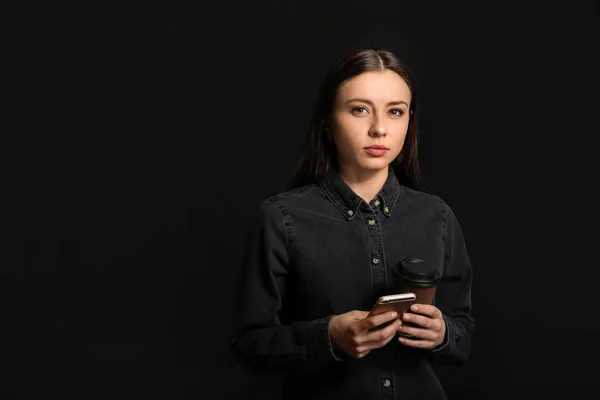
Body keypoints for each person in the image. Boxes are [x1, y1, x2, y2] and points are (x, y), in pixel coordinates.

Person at [230, 48, 474, 400]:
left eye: (395, 112)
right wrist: (327, 337)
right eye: (360, 109)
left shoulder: (437, 217)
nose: (379, 129)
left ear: (409, 121)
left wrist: (442, 334)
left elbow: (463, 334)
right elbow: (249, 344)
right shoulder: (281, 218)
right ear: (328, 122)